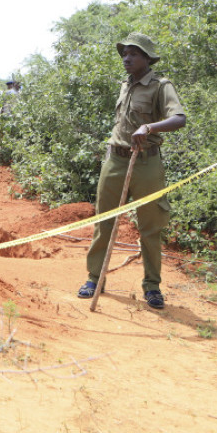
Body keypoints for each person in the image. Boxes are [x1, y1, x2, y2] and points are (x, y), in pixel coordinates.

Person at [78, 33, 186, 310]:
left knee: (150, 228)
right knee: (105, 221)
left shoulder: (161, 86)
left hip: (147, 163)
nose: (126, 58)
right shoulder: (125, 85)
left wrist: (149, 128)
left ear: (147, 58)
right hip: (115, 160)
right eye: (124, 53)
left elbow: (179, 118)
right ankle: (95, 278)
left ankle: (152, 286)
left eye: (133, 54)